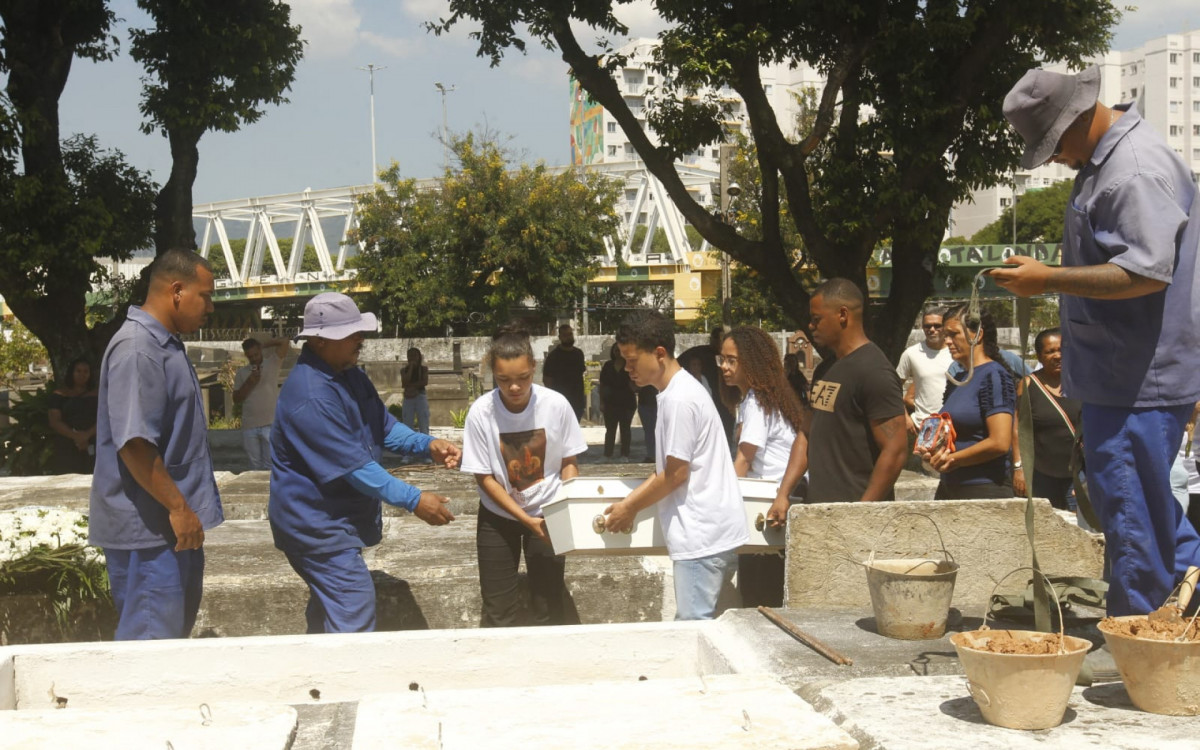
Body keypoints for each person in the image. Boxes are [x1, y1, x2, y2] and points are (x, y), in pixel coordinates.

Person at [995, 65, 1200, 616]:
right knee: (1153, 515)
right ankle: (1177, 627)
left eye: (1053, 146)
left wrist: (1049, 278)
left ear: (1077, 119)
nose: (1056, 159)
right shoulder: (1109, 162)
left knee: (1133, 515)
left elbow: (1146, 272)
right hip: (1126, 375)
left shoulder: (1130, 171)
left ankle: (1136, 634)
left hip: (1137, 379)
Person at [268, 293, 459, 634]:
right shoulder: (311, 395)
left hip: (333, 522)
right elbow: (355, 467)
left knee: (328, 614)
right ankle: (348, 684)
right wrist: (414, 499)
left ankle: (321, 682)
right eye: (352, 334)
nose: (362, 340)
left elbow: (383, 427)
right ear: (321, 340)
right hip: (316, 527)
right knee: (353, 609)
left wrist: (427, 444)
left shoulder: (349, 374)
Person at [89, 249, 221, 640]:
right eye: (206, 296)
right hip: (149, 532)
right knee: (150, 650)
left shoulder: (164, 344)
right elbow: (134, 445)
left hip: (169, 529)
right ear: (177, 291)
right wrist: (179, 507)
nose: (210, 307)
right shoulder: (138, 349)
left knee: (170, 643)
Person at [604, 311, 748, 620]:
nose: (627, 369)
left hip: (700, 536)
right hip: (707, 532)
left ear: (659, 354)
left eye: (632, 361)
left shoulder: (679, 399)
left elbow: (675, 475)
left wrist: (628, 507)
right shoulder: (676, 392)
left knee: (692, 629)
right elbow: (671, 469)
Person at [460, 323, 588, 627]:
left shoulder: (555, 405)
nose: (514, 388)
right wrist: (524, 518)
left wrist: (568, 502)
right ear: (492, 372)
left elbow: (569, 461)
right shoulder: (481, 412)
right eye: (503, 380)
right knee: (498, 606)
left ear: (534, 368)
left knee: (548, 603)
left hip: (548, 512)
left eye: (523, 378)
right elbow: (485, 478)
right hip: (498, 514)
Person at [718, 326, 806, 607]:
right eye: (722, 359)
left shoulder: (757, 401)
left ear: (752, 362)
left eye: (733, 360)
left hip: (771, 500)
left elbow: (744, 460)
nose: (725, 367)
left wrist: (719, 503)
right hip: (777, 496)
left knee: (760, 594)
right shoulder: (761, 398)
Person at [805, 278, 908, 503]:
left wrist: (862, 511)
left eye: (816, 319)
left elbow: (896, 449)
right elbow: (807, 433)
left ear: (842, 314)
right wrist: (784, 493)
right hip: (819, 510)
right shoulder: (825, 368)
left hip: (856, 516)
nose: (811, 326)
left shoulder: (874, 371)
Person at [921, 307, 1016, 500]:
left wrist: (953, 459)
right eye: (946, 335)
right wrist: (934, 452)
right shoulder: (958, 378)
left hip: (983, 490)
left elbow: (1000, 442)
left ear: (977, 335)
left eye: (953, 334)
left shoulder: (994, 376)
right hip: (950, 487)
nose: (947, 341)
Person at [1011, 328, 1082, 511]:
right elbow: (1018, 429)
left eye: (1061, 350)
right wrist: (1019, 468)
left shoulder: (1081, 382)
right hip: (1042, 475)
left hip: (1078, 474)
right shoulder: (1028, 385)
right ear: (1040, 357)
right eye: (1050, 352)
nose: (1057, 356)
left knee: (1082, 526)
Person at [232, 336, 291, 470]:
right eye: (250, 356)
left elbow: (285, 341)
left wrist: (262, 343)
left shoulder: (272, 363)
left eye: (256, 354)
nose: (254, 358)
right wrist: (251, 381)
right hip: (250, 426)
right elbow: (236, 399)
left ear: (260, 351)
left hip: (269, 424)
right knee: (254, 466)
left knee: (270, 465)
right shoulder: (242, 373)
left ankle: (268, 491)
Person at [896, 308, 953, 436]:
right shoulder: (911, 353)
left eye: (937, 326)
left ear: (945, 327)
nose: (932, 329)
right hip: (922, 426)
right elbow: (893, 387)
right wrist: (905, 417)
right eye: (927, 326)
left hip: (953, 424)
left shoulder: (957, 351)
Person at [679, 326, 735, 444]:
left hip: (725, 403)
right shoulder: (701, 352)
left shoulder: (729, 356)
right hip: (709, 402)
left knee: (727, 434)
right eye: (719, 339)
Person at [47, 356, 98, 474]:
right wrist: (77, 437)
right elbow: (54, 421)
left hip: (93, 442)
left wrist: (86, 435)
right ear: (72, 373)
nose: (82, 374)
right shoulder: (59, 395)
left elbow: (104, 418)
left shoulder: (97, 395)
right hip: (66, 445)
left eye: (86, 371)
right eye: (78, 371)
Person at [598, 343, 636, 459]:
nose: (617, 352)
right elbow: (602, 384)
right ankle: (607, 454)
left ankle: (625, 454)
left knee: (625, 429)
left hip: (627, 402)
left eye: (619, 350)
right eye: (615, 350)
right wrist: (601, 401)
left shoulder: (629, 365)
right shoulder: (608, 366)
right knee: (610, 430)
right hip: (610, 402)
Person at [542, 324, 586, 420]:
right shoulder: (553, 357)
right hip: (560, 401)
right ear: (560, 337)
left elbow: (581, 374)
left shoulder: (579, 354)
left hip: (577, 402)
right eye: (565, 335)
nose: (569, 337)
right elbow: (547, 380)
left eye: (570, 334)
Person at [401, 347, 430, 435]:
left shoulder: (423, 369)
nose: (412, 358)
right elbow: (404, 382)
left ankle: (425, 442)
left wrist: (411, 386)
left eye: (414, 355)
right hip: (408, 398)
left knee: (423, 422)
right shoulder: (403, 370)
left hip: (420, 396)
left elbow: (424, 382)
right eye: (410, 356)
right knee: (407, 422)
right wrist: (411, 368)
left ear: (419, 357)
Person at [637, 384, 658, 463]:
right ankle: (651, 454)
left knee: (656, 431)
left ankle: (655, 454)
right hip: (645, 404)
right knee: (649, 431)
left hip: (656, 403)